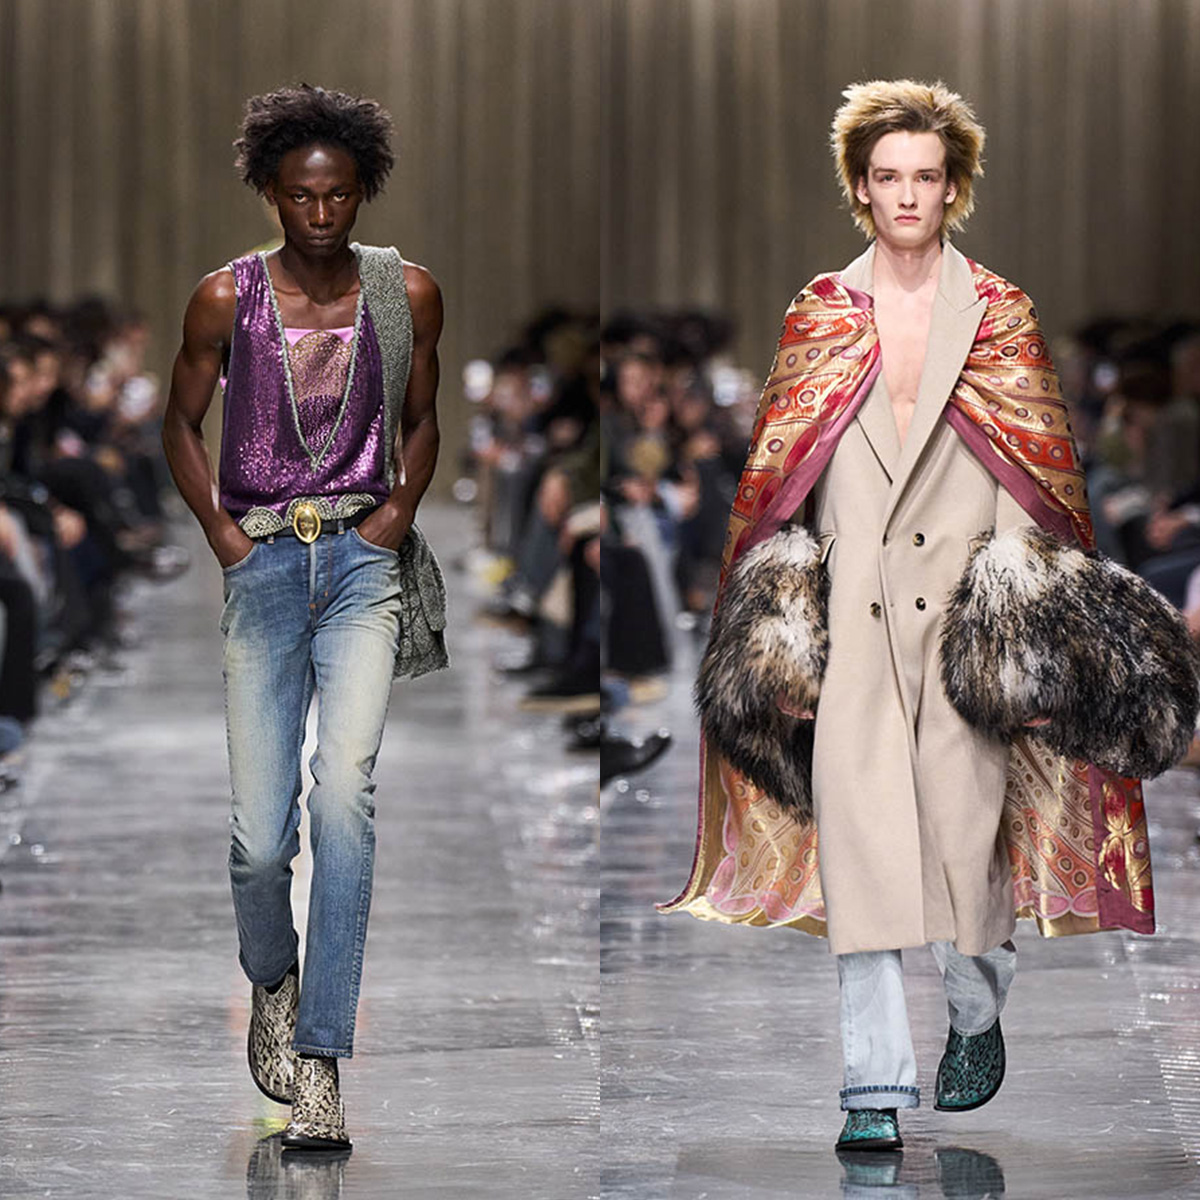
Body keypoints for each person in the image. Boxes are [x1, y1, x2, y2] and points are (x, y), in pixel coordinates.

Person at [662, 80, 1196, 1153]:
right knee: (860, 854)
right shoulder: (822, 313)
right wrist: (783, 636)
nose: (907, 195)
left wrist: (1024, 640)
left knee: (967, 860)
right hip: (853, 627)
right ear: (860, 188)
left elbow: (1035, 485)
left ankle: (975, 1006)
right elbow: (782, 485)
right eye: (888, 177)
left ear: (954, 188)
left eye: (926, 176)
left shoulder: (999, 314)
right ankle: (872, 1084)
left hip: (964, 630)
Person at [162, 84, 447, 1152]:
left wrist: (396, 513)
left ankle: (320, 1061)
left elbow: (422, 420)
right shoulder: (223, 299)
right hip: (266, 565)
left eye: (337, 195)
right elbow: (179, 423)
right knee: (257, 841)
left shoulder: (404, 293)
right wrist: (223, 537)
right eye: (299, 196)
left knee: (345, 802)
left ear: (363, 190)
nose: (320, 215)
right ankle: (271, 980)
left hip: (363, 567)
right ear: (270, 194)